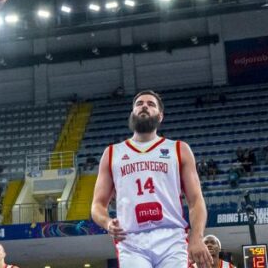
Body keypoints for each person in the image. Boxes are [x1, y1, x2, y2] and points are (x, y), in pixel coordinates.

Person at [91, 90, 212, 268]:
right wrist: (107, 222)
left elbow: (196, 201)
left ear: (160, 116)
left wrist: (196, 236)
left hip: (172, 236)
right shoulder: (112, 153)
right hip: (131, 239)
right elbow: (97, 205)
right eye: (139, 104)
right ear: (132, 113)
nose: (144, 106)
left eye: (151, 104)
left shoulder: (179, 149)